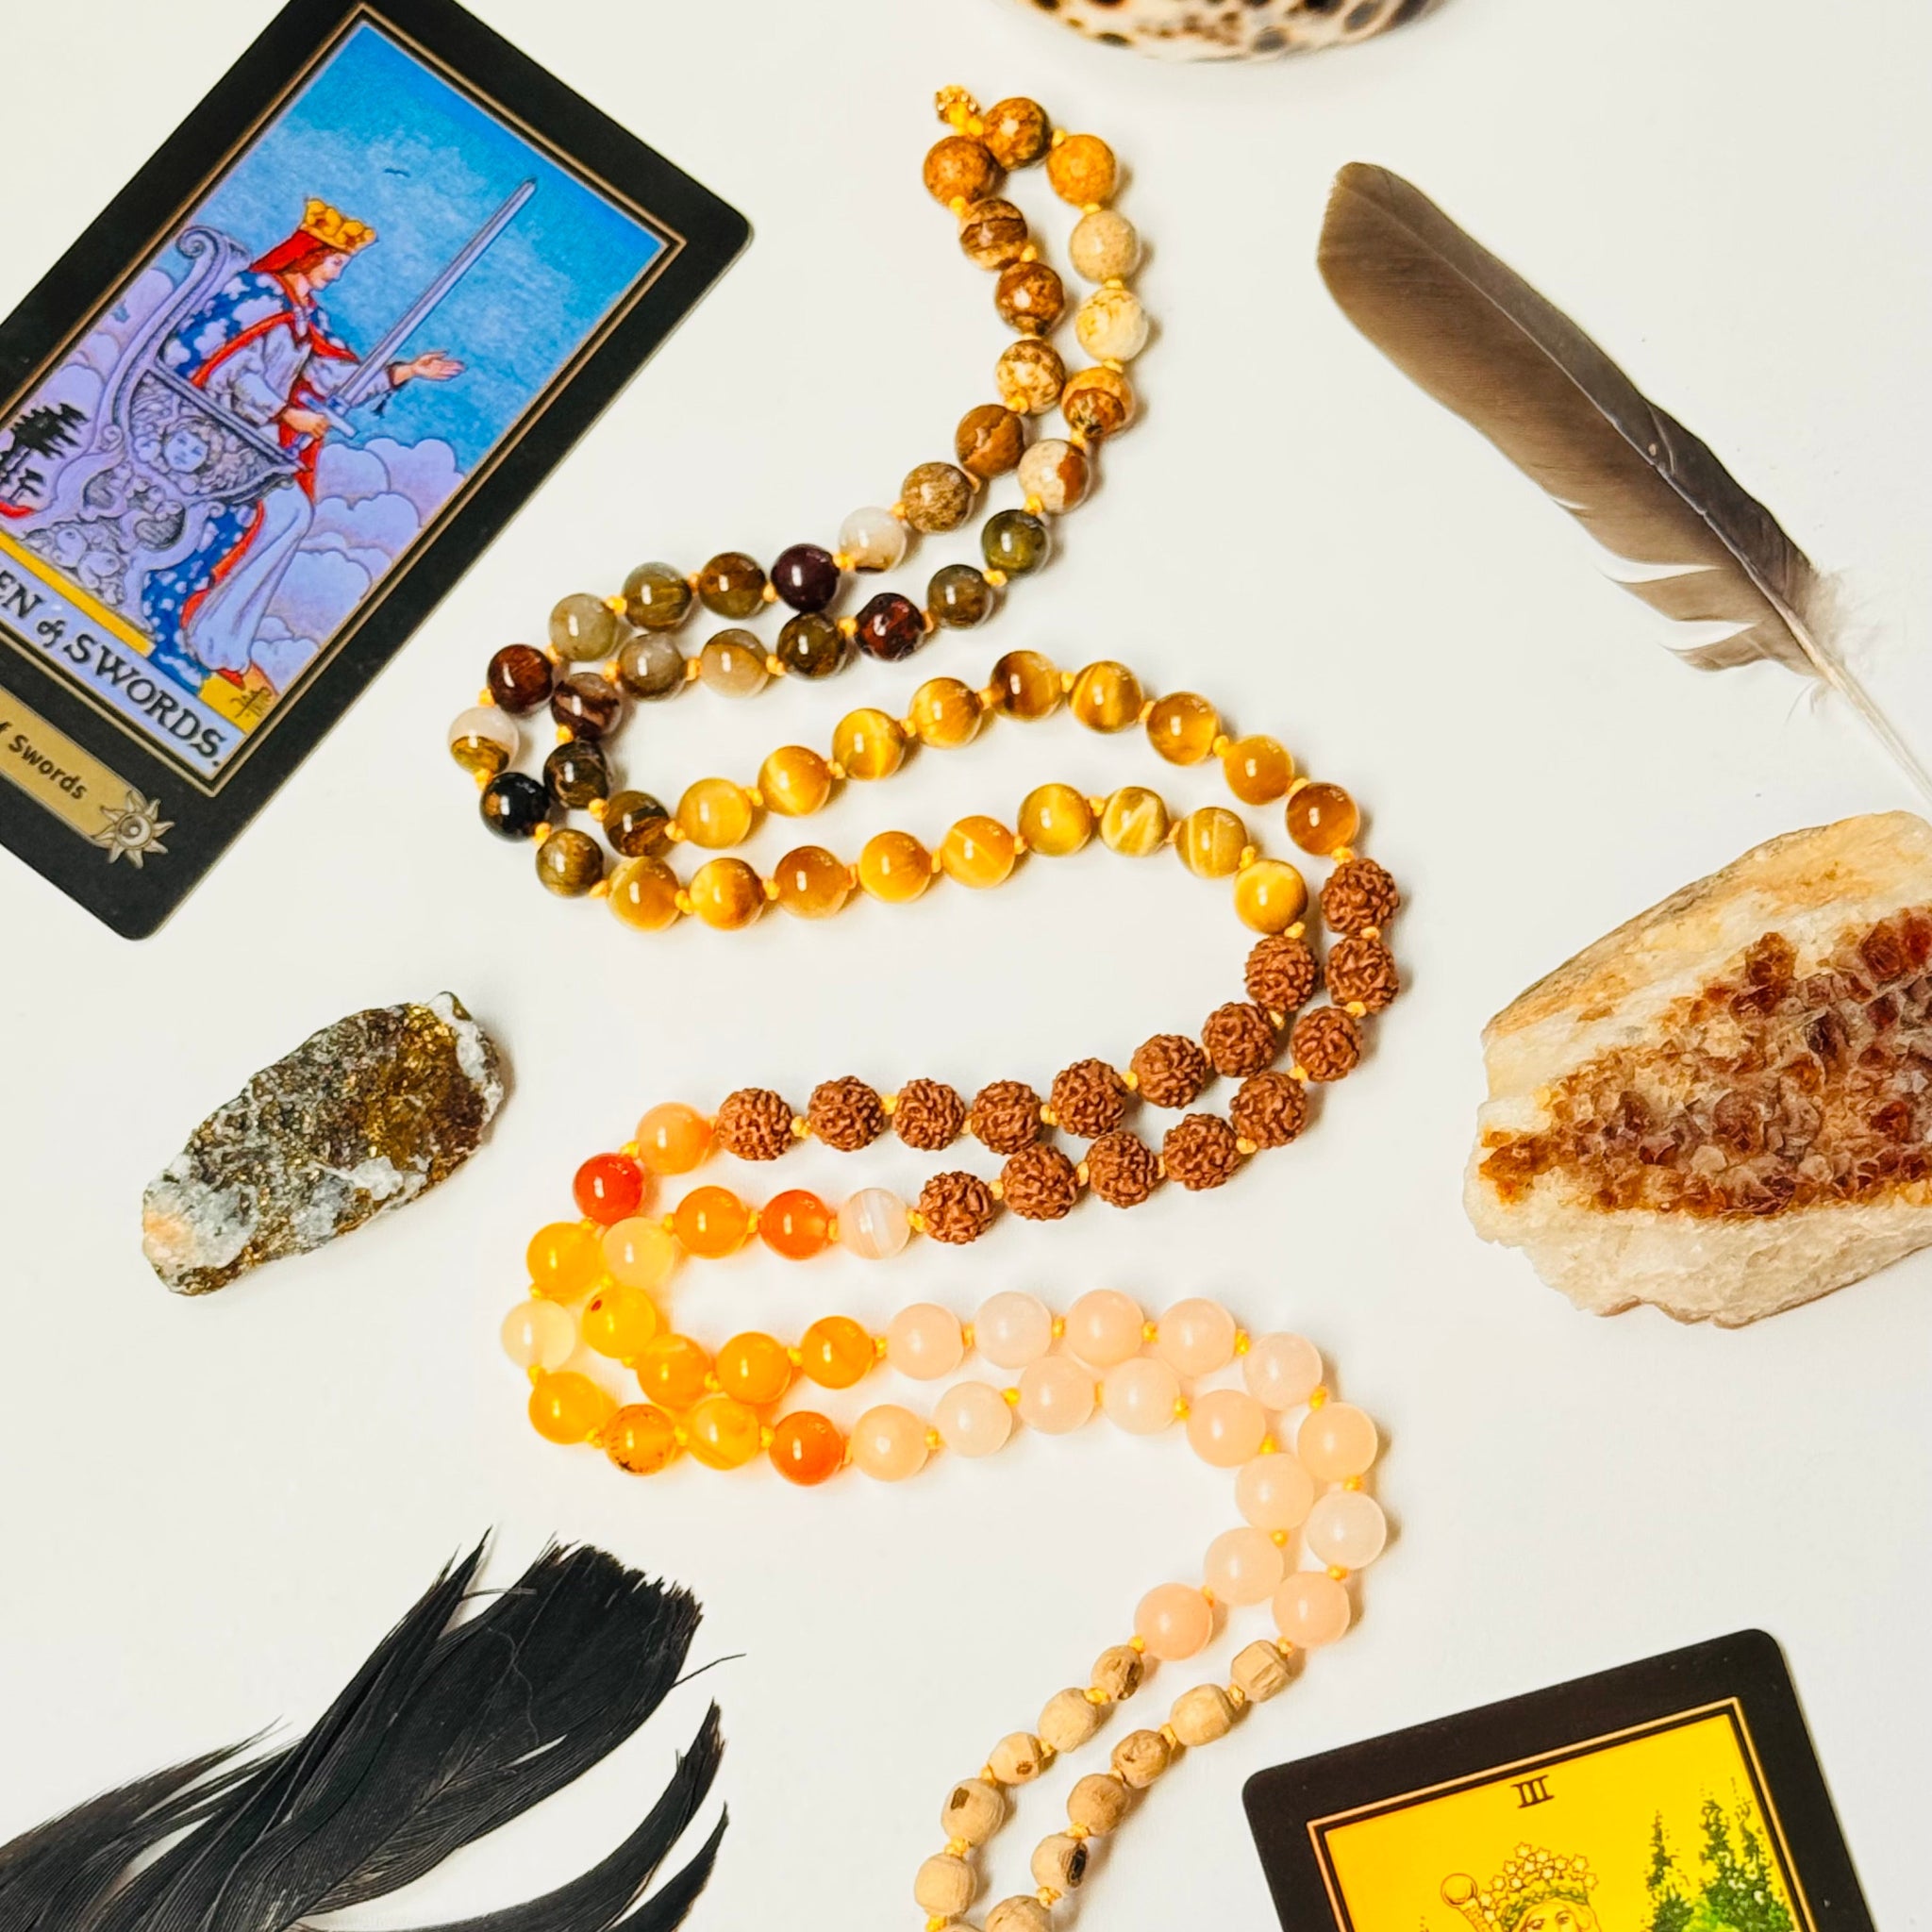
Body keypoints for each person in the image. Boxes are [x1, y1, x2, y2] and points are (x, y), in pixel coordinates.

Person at [140, 199, 462, 693]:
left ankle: (219, 643)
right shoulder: (259, 297)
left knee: (291, 512)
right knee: (277, 511)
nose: (336, 273)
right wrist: (287, 413)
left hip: (250, 441)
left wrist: (406, 371)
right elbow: (231, 369)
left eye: (341, 265)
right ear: (307, 254)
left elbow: (333, 374)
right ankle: (190, 632)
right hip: (206, 430)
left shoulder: (302, 314)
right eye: (334, 262)